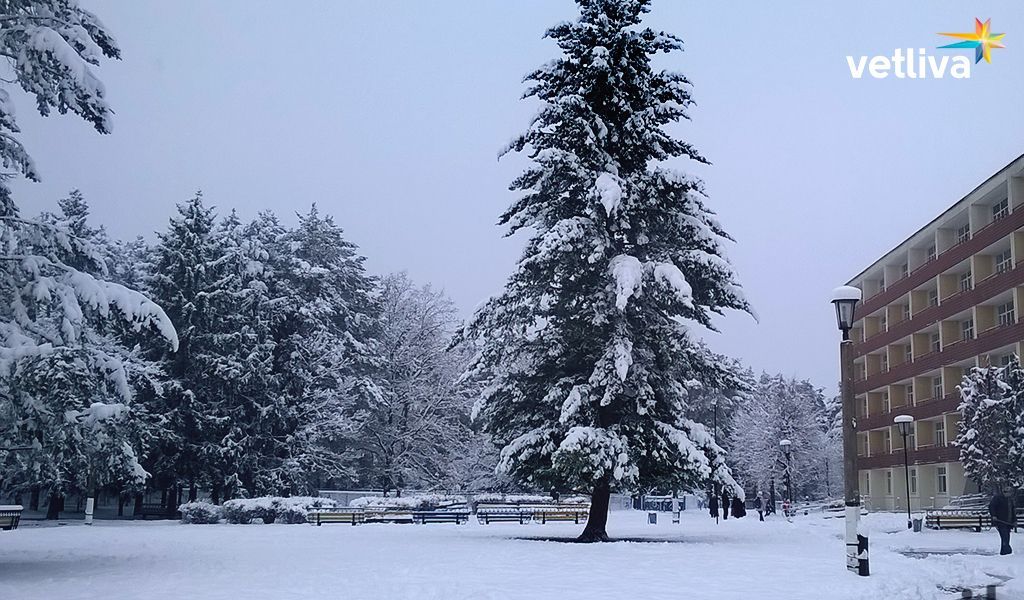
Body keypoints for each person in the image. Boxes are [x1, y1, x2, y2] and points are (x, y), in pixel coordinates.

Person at [989, 485, 1017, 555]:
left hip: (1008, 522)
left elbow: (1012, 511)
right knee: (1005, 537)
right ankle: (1006, 552)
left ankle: (1004, 552)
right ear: (1005, 492)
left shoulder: (1010, 500)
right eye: (1009, 493)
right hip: (1000, 521)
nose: (1010, 494)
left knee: (1006, 537)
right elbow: (991, 506)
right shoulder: (997, 498)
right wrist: (994, 515)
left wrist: (1014, 520)